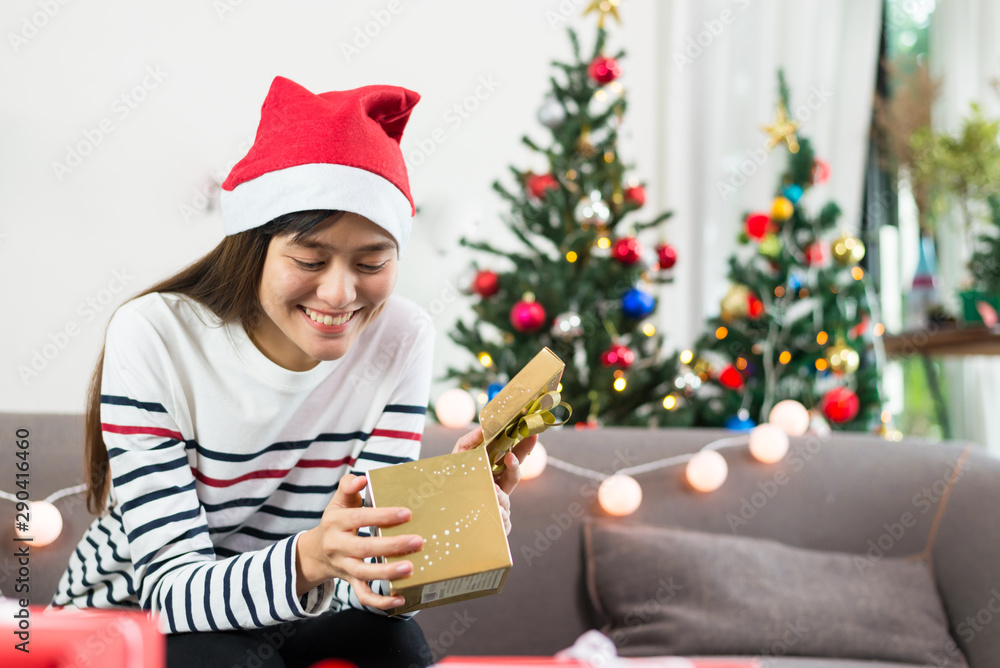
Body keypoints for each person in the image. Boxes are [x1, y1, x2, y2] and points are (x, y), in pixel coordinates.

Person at [51, 76, 536, 668]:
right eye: (309, 259)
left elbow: (374, 588)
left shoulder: (401, 338)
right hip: (127, 619)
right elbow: (171, 592)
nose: (340, 293)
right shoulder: (154, 334)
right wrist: (312, 558)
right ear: (254, 246)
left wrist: (449, 530)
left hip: (281, 620)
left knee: (392, 642)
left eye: (372, 261)